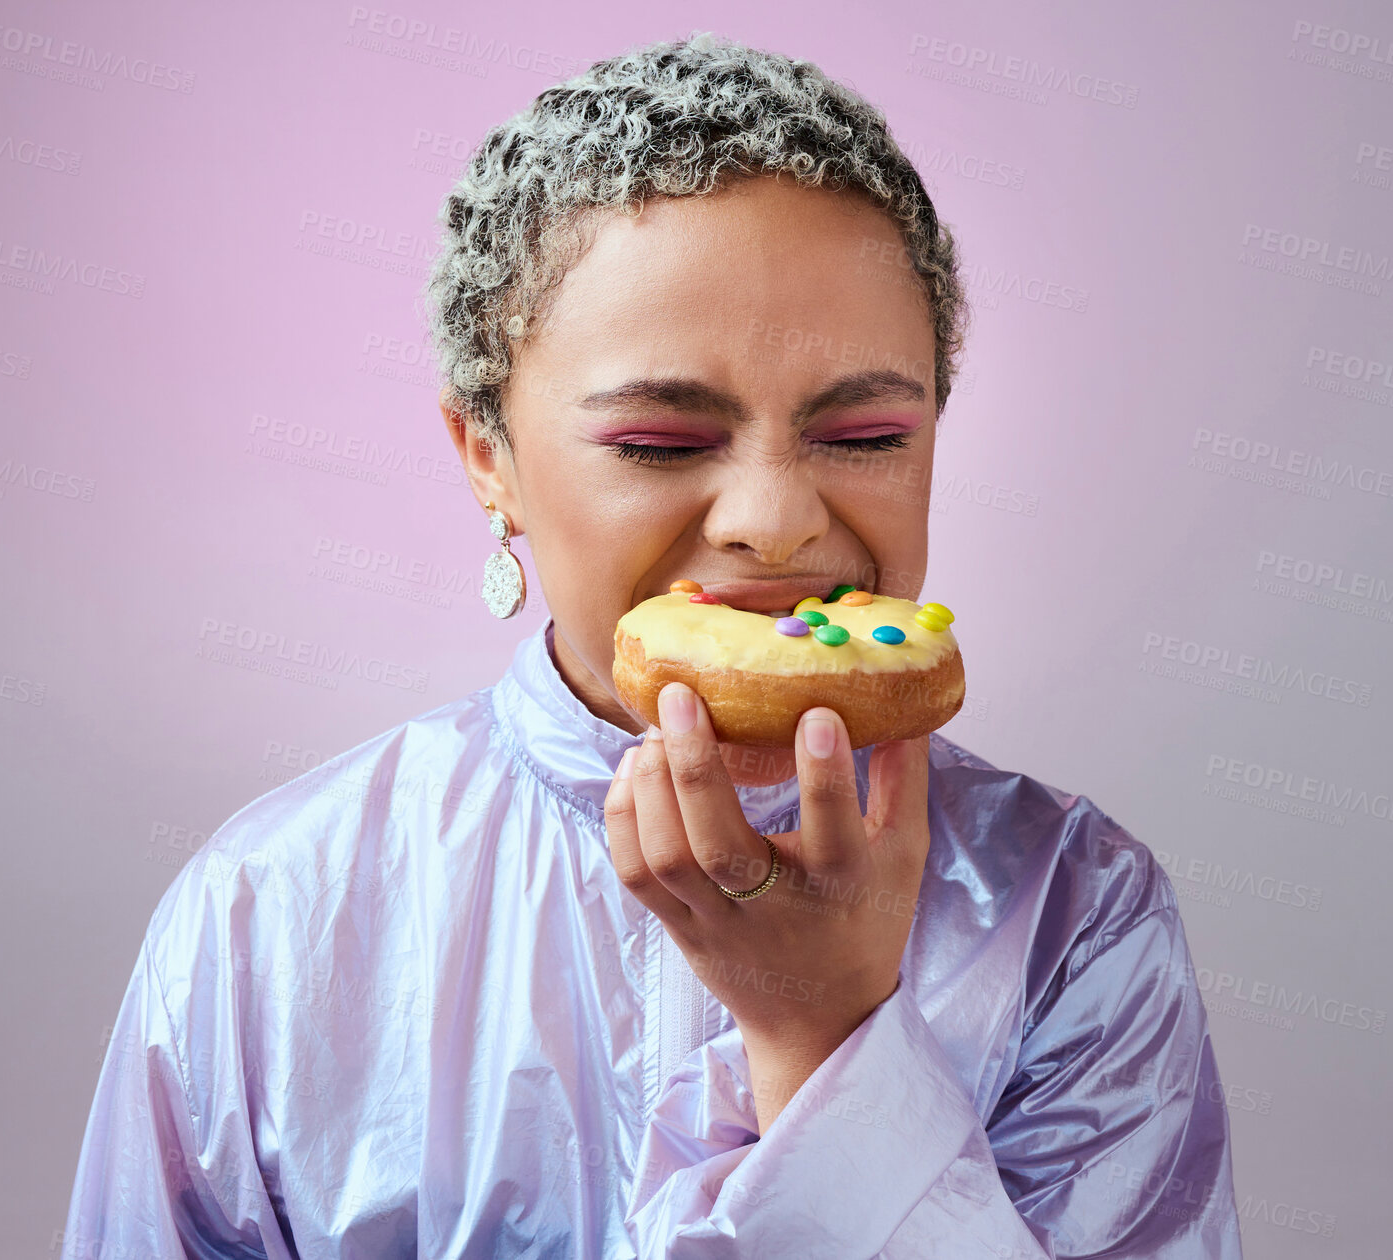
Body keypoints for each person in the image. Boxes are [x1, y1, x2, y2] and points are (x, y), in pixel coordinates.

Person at [64, 31, 1244, 1259]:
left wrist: (825, 1037)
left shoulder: (1071, 908)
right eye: (662, 445)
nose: (775, 519)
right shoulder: (273, 914)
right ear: (489, 455)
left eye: (866, 433)